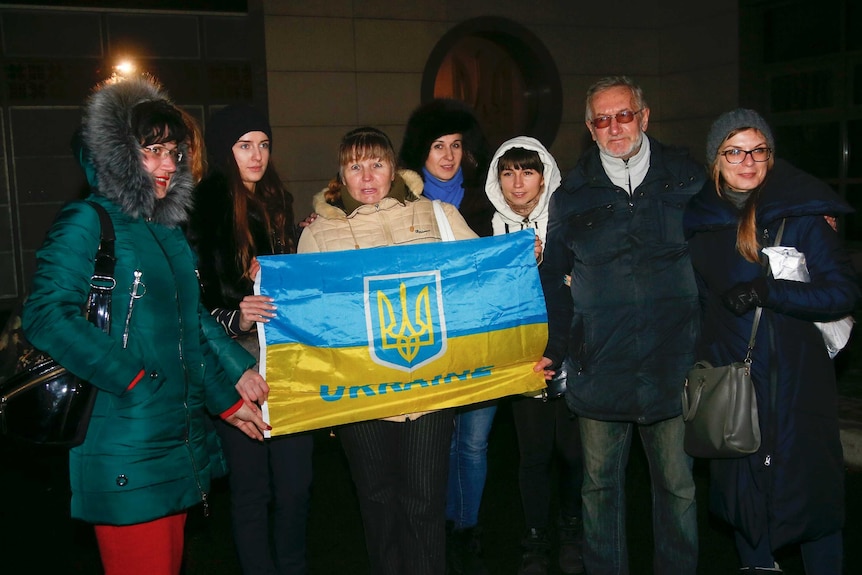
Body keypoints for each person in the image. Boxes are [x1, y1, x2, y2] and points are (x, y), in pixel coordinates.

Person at [22, 76, 269, 575]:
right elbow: (46, 314)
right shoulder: (88, 220)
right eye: (151, 150)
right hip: (123, 440)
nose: (167, 165)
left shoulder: (164, 229)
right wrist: (133, 380)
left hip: (174, 438)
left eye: (174, 152)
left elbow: (189, 325)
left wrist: (225, 401)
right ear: (118, 152)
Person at [535, 75, 702, 575]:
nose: (614, 127)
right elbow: (552, 283)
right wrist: (556, 349)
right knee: (600, 488)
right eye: (602, 120)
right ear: (590, 129)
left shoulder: (687, 178)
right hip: (600, 364)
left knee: (677, 488)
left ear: (644, 117)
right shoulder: (571, 194)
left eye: (623, 115)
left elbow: (743, 199)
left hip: (675, 363)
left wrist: (801, 217)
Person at [683, 109, 859, 574]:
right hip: (736, 385)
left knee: (812, 501)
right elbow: (703, 304)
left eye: (757, 150)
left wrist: (770, 290)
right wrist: (705, 371)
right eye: (734, 151)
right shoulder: (700, 221)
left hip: (798, 385)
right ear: (715, 160)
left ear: (771, 156)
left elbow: (843, 292)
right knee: (745, 500)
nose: (747, 160)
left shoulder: (801, 215)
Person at [298, 126, 477, 575]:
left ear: (393, 167)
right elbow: (306, 315)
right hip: (362, 395)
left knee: (424, 504)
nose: (367, 175)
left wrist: (523, 254)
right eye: (355, 165)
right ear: (341, 174)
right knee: (377, 506)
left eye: (376, 163)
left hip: (429, 387)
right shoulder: (318, 233)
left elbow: (483, 272)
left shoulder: (436, 215)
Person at [187, 104, 313, 575]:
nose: (257, 154)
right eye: (245, 145)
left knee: (297, 484)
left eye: (263, 144)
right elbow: (190, 302)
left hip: (287, 360)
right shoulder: (206, 205)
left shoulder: (277, 198)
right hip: (236, 368)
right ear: (225, 150)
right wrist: (234, 316)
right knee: (252, 490)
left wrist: (303, 245)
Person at [399, 99, 495, 574]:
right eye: (438, 145)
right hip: (429, 342)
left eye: (456, 145)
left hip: (482, 339)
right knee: (439, 438)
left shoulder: (488, 200)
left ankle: (467, 526)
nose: (448, 155)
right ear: (421, 151)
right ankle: (437, 522)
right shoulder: (401, 208)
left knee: (473, 443)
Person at [484, 136, 583, 575]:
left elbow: (576, 297)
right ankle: (536, 539)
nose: (517, 182)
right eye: (508, 172)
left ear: (545, 176)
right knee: (533, 455)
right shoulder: (487, 230)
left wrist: (546, 266)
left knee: (573, 453)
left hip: (570, 356)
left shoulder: (568, 223)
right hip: (520, 363)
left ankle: (573, 531)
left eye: (527, 171)